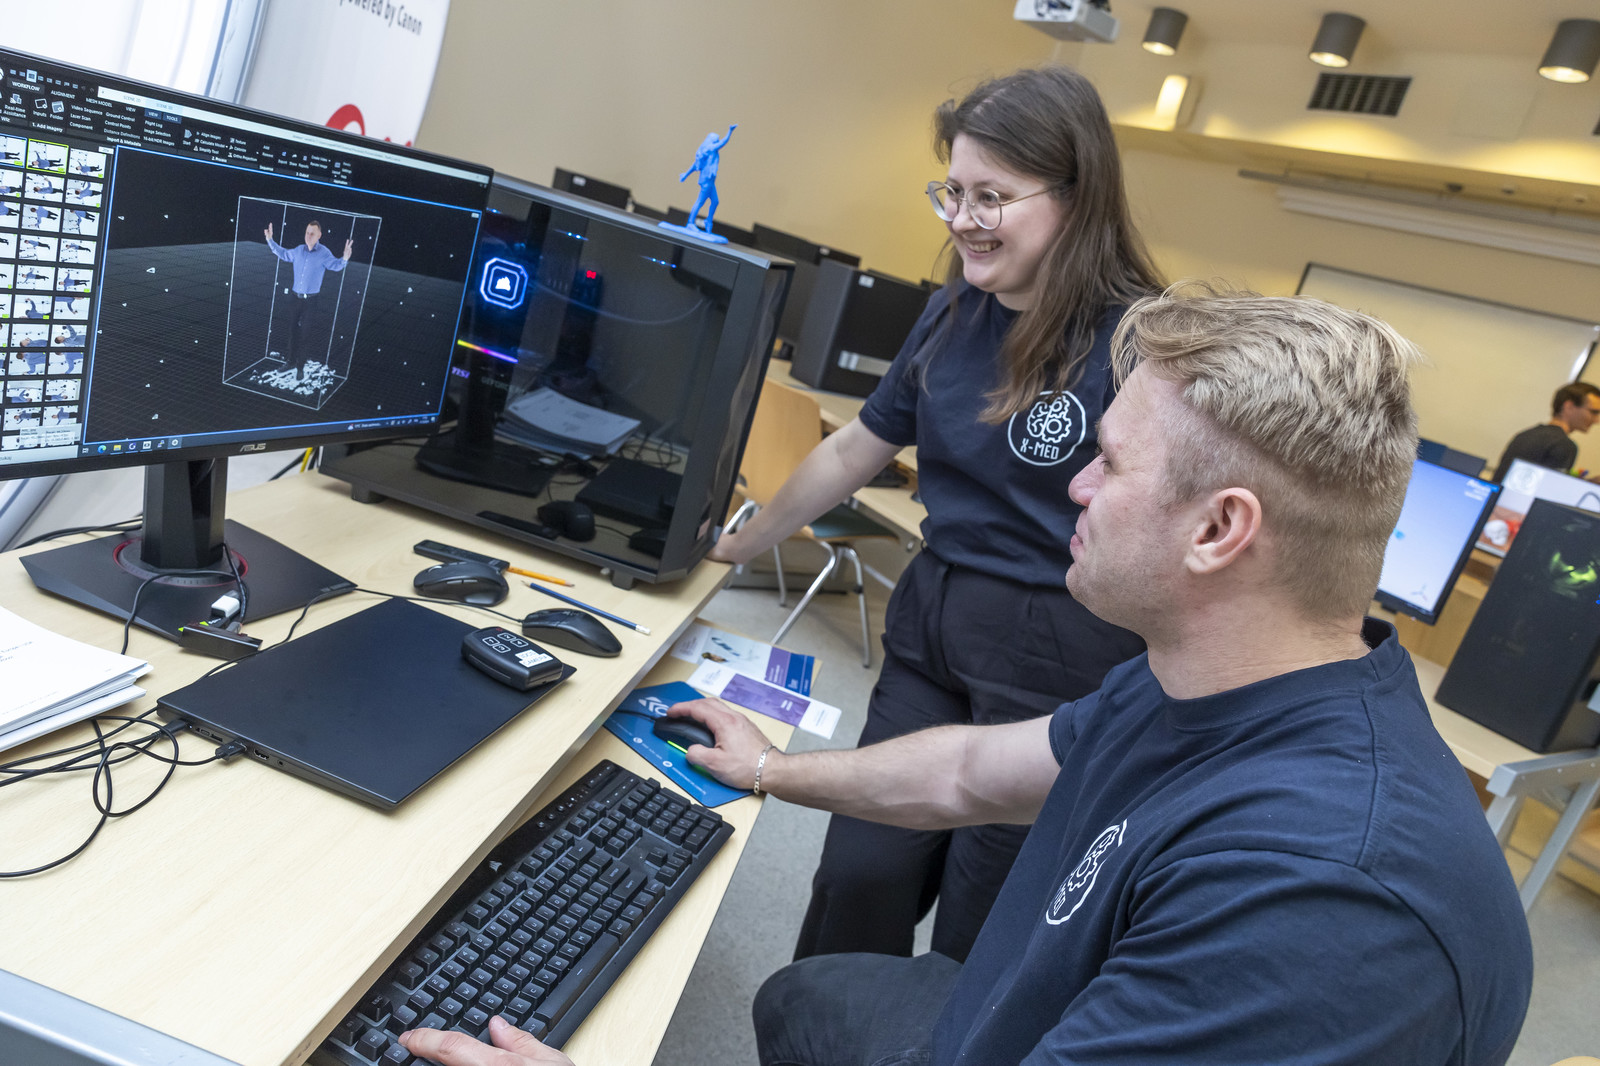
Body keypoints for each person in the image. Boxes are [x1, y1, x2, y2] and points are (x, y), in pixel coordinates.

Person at [395, 287, 1535, 1066]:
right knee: (804, 994)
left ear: (1218, 531)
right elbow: (973, 774)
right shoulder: (1207, 680)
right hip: (1012, 1021)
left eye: (1109, 463)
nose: (1074, 486)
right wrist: (773, 771)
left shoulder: (1319, 904)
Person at [708, 66, 1158, 964]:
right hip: (934, 627)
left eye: (991, 197)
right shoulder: (952, 312)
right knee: (857, 877)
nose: (961, 219)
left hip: (1058, 659)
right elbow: (854, 449)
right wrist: (737, 543)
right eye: (952, 191)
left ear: (1076, 198)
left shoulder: (1139, 344)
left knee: (977, 928)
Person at [263, 218, 353, 377]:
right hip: (295, 298)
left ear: (319, 235)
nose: (309, 236)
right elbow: (283, 253)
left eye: (312, 233)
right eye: (307, 233)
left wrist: (345, 258)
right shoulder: (298, 250)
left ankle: (300, 367)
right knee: (292, 331)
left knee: (305, 334)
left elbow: (336, 265)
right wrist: (270, 240)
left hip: (311, 301)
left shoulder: (324, 253)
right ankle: (290, 362)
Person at [1490, 381, 1600, 481]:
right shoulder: (1564, 445)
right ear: (1569, 406)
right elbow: (1549, 491)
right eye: (1594, 412)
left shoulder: (1526, 434)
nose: (1596, 420)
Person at [677, 124, 737, 235]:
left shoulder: (706, 150)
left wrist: (685, 175)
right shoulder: (711, 148)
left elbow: (695, 165)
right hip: (707, 181)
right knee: (700, 201)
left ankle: (708, 221)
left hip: (710, 181)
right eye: (716, 140)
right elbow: (723, 142)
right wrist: (730, 131)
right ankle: (690, 222)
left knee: (715, 201)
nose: (717, 141)